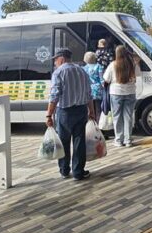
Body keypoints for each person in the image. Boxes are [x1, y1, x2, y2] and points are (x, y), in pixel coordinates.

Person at [46, 48, 96, 181]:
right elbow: (89, 94)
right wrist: (92, 111)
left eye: (55, 60)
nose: (55, 63)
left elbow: (54, 95)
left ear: (61, 58)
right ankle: (78, 172)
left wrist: (49, 115)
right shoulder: (82, 71)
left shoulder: (59, 72)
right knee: (79, 142)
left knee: (64, 142)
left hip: (65, 112)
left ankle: (64, 170)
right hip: (81, 110)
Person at [103, 45, 140, 147]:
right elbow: (138, 74)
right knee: (128, 116)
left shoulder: (113, 65)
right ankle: (128, 140)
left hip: (116, 93)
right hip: (130, 92)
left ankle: (119, 140)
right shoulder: (132, 64)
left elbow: (106, 79)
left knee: (117, 116)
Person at [83, 51, 103, 119]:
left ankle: (91, 124)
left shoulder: (84, 68)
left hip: (88, 90)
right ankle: (98, 125)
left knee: (89, 110)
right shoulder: (99, 66)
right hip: (98, 91)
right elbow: (102, 80)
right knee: (98, 110)